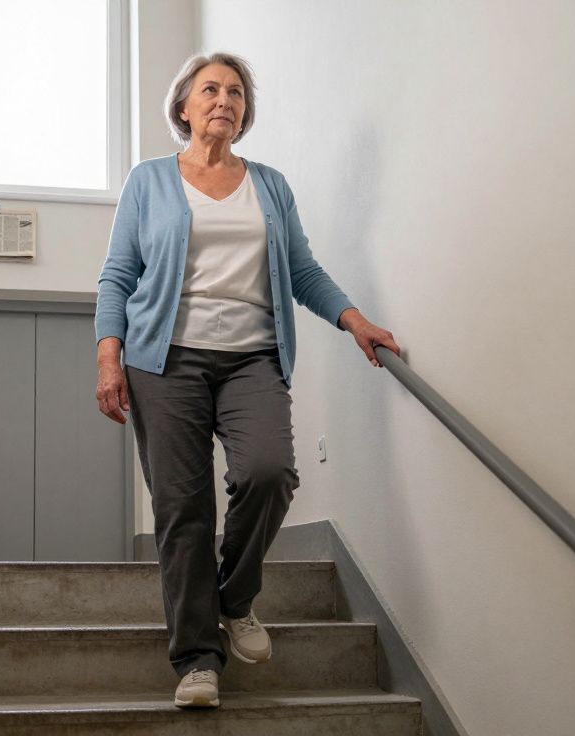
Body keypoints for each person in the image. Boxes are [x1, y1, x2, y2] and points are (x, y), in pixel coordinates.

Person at [93, 52, 401, 709]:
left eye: (236, 92)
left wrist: (355, 321)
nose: (224, 100)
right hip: (163, 361)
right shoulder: (148, 182)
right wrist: (107, 357)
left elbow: (303, 269)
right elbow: (118, 275)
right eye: (210, 89)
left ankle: (235, 598)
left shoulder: (269, 186)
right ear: (184, 107)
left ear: (245, 110)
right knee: (184, 511)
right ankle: (198, 660)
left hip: (250, 358)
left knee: (268, 473)